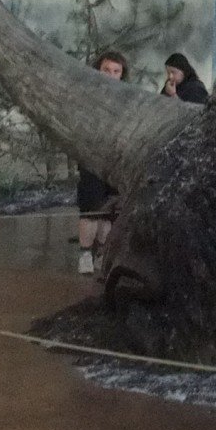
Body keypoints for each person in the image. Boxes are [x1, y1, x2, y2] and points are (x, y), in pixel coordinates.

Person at [76, 50, 126, 275]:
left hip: (115, 162)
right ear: (98, 70)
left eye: (116, 71)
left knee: (109, 212)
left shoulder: (127, 99)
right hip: (91, 160)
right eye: (106, 70)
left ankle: (101, 255)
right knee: (90, 210)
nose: (111, 75)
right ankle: (85, 255)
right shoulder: (87, 95)